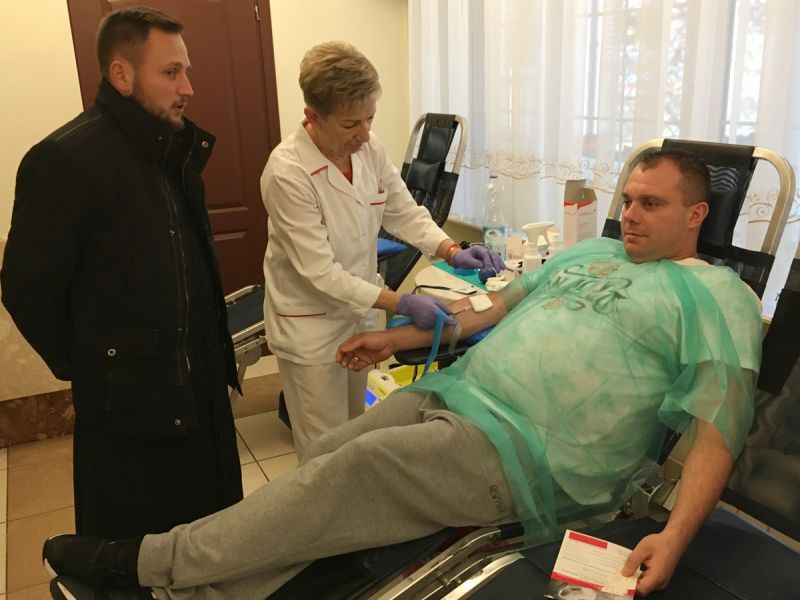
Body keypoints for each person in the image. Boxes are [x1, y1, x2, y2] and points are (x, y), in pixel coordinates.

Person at [41, 148, 761, 600]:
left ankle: (146, 563)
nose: (629, 215)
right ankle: (203, 590)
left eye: (651, 204)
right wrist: (394, 337)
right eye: (627, 199)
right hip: (460, 395)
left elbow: (718, 434)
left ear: (696, 214)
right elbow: (484, 311)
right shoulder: (588, 256)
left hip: (534, 454)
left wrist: (675, 539)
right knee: (327, 455)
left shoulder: (719, 297)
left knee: (357, 470)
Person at [1, 7, 243, 539]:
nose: (188, 88)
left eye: (186, 71)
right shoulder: (67, 159)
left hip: (200, 395)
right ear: (121, 74)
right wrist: (99, 364)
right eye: (171, 72)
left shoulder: (175, 149)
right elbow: (27, 289)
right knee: (139, 553)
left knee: (211, 544)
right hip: (130, 416)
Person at [260, 41, 504, 457]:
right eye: (350, 124)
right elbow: (320, 272)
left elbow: (403, 211)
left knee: (353, 435)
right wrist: (401, 302)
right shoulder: (287, 173)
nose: (364, 134)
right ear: (313, 117)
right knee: (323, 452)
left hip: (357, 317)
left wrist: (450, 249)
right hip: (310, 325)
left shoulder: (367, 149)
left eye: (370, 118)